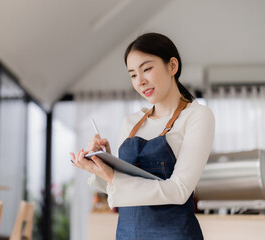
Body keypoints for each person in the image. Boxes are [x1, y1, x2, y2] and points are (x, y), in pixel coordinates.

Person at [70, 32, 215, 240]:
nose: (141, 81)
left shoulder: (197, 115)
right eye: (133, 75)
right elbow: (121, 186)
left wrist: (113, 177)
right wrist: (102, 163)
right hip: (127, 233)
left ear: (172, 66)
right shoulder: (130, 122)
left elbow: (179, 190)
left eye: (147, 69)